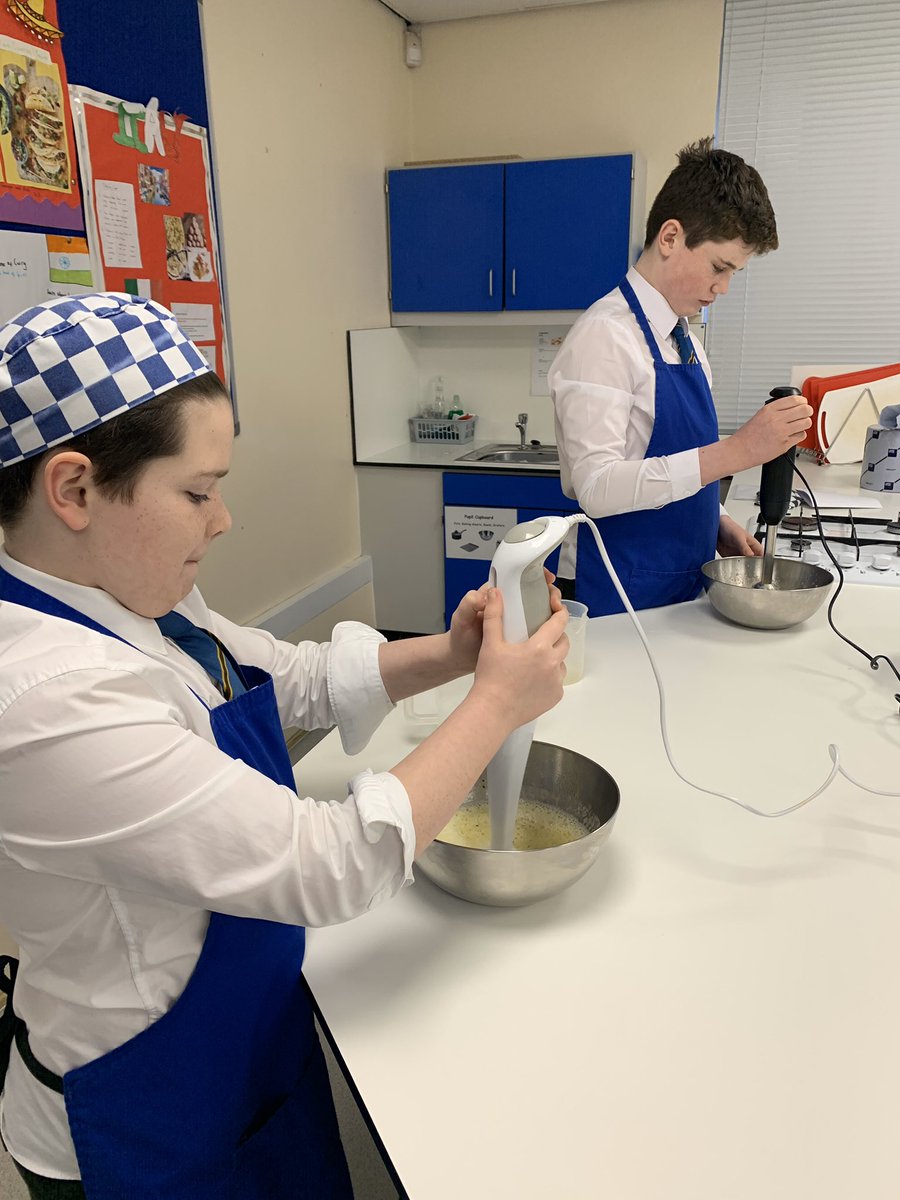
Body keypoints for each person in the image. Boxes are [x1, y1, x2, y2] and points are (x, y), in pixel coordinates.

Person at [0, 293, 569, 1199]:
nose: (221, 519)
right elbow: (327, 864)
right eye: (197, 492)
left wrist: (451, 655)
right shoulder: (48, 701)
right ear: (73, 490)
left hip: (244, 1042)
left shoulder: (131, 602)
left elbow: (283, 676)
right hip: (139, 1112)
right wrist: (496, 702)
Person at [549, 137, 813, 616]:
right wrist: (737, 451)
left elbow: (675, 463)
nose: (723, 287)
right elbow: (597, 486)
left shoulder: (684, 340)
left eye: (734, 273)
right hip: (619, 592)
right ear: (670, 237)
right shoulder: (605, 336)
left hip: (682, 587)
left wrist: (717, 519)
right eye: (719, 267)